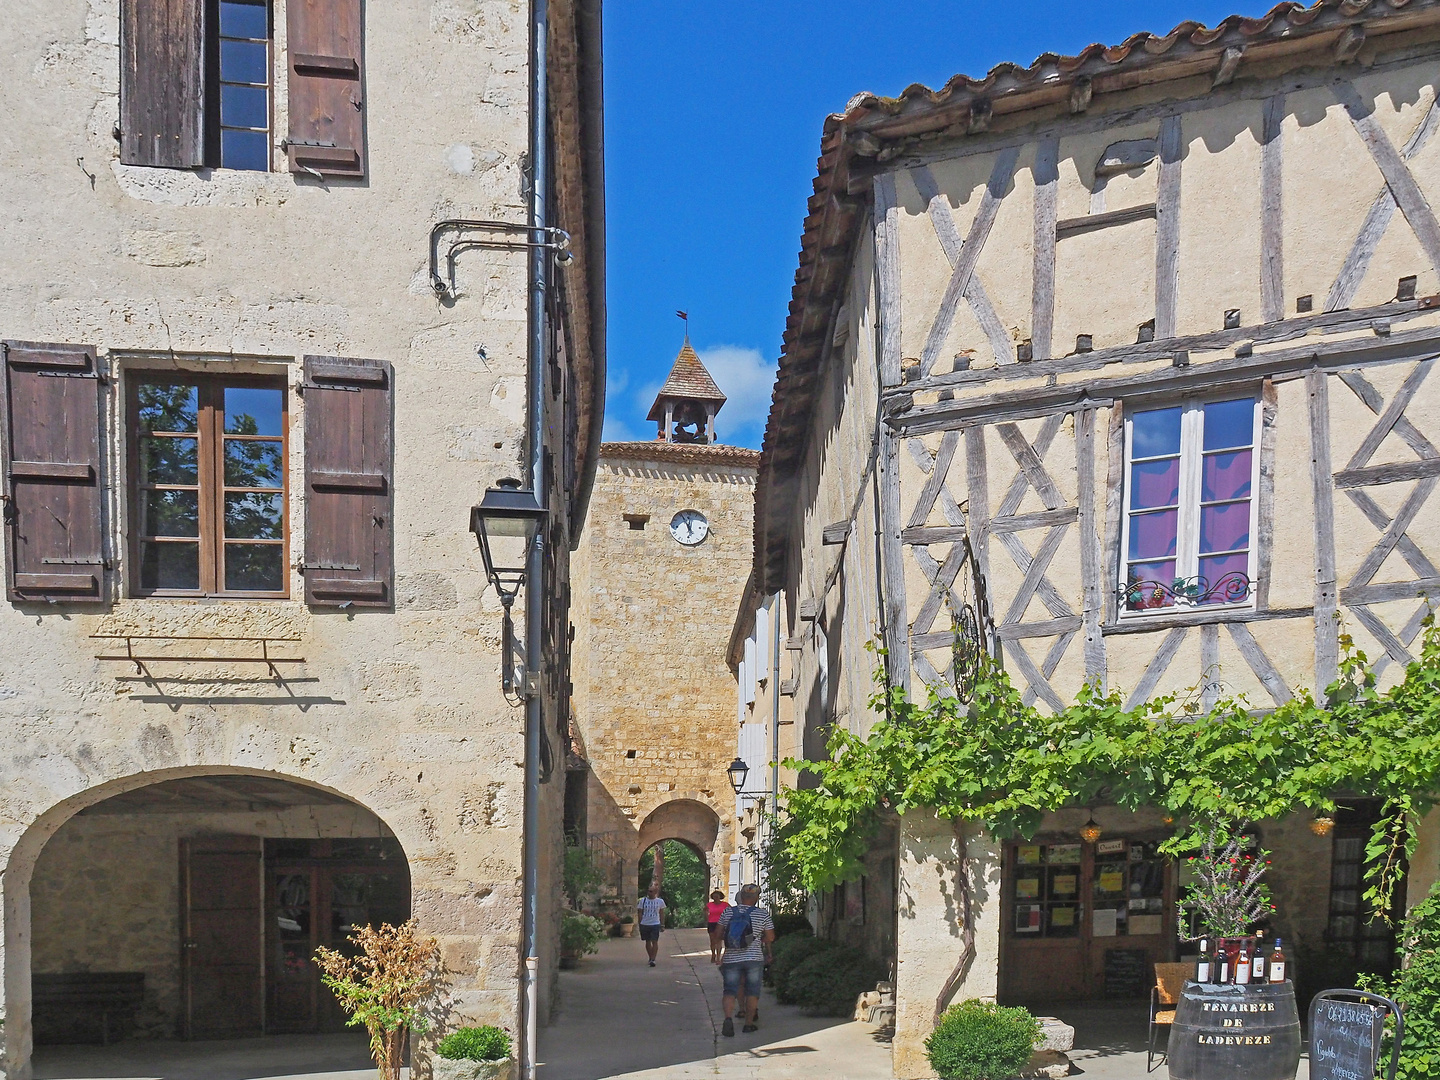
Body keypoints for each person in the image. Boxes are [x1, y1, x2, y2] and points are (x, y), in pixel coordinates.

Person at [716, 883, 774, 1036]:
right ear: (756, 898)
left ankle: (728, 1018)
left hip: (731, 959)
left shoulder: (728, 912)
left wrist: (725, 945)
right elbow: (770, 937)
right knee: (752, 991)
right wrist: (758, 940)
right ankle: (748, 1024)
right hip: (753, 959)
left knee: (729, 990)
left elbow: (718, 934)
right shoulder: (762, 914)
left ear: (741, 896)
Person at [637, 881, 666, 967]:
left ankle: (653, 959)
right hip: (645, 923)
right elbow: (640, 912)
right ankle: (650, 957)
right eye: (648, 891)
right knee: (647, 941)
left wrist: (662, 924)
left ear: (655, 892)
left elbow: (661, 913)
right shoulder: (642, 901)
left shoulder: (660, 901)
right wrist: (640, 923)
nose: (649, 893)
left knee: (655, 941)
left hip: (655, 923)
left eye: (651, 891)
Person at [706, 890, 729, 964]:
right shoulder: (709, 905)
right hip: (711, 923)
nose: (716, 897)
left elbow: (731, 910)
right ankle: (713, 954)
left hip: (721, 923)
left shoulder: (725, 904)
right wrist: (707, 917)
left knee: (719, 940)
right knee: (713, 941)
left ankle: (718, 958)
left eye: (717, 896)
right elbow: (705, 910)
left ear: (720, 897)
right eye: (714, 896)